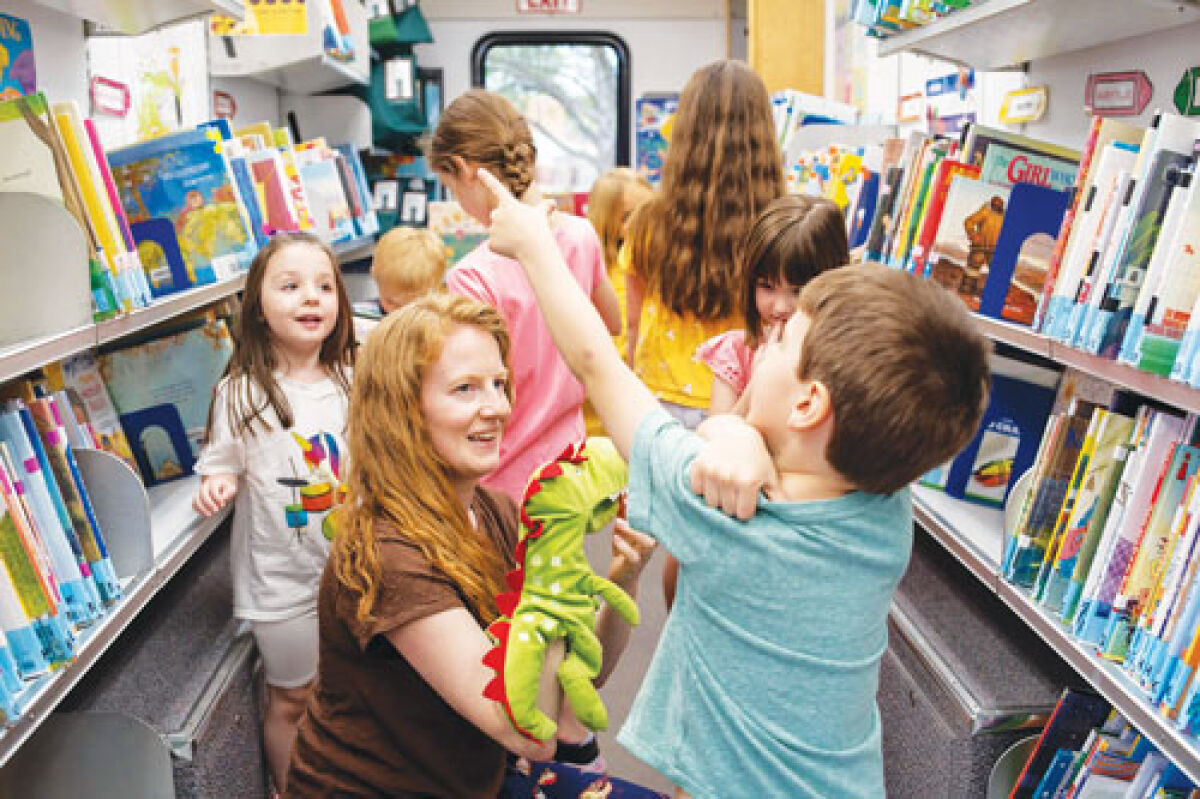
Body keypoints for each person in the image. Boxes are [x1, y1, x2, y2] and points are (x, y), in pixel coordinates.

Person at [478, 167, 991, 798]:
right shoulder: (886, 507)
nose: (765, 341)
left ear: (808, 405)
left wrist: (532, 244)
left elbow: (595, 362)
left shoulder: (716, 509)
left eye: (779, 344)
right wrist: (738, 433)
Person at [285, 293, 656, 797]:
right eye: (466, 389)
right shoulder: (386, 550)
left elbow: (576, 685)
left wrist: (623, 576)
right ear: (403, 410)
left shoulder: (495, 511)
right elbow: (527, 729)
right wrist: (555, 551)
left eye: (499, 384)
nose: (497, 408)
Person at [192, 231, 356, 794]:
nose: (312, 297)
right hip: (279, 580)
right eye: (290, 286)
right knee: (291, 697)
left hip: (349, 573)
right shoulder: (240, 393)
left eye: (324, 285)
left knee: (345, 692)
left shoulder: (352, 384)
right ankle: (291, 788)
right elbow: (221, 463)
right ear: (258, 309)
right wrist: (217, 485)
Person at [429, 88, 623, 500]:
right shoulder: (580, 235)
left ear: (465, 170)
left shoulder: (471, 276)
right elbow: (613, 323)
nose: (460, 203)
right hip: (573, 468)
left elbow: (473, 386)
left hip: (504, 478)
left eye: (451, 187)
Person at [658, 194, 849, 609]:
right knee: (675, 565)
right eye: (766, 287)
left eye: (797, 291)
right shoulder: (735, 353)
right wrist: (758, 381)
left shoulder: (842, 367)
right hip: (729, 513)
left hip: (798, 535)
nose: (779, 307)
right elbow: (714, 442)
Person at [623, 60, 785, 428]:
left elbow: (633, 323)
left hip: (660, 399)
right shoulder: (779, 222)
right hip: (746, 401)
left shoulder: (647, 221)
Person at [584, 167, 655, 436]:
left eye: (649, 214)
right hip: (597, 419)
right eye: (627, 217)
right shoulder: (595, 273)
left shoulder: (647, 267)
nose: (640, 224)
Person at [369, 226, 447, 315]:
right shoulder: (362, 316)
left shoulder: (442, 321)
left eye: (412, 305)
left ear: (435, 290)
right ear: (373, 273)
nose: (399, 313)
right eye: (390, 302)